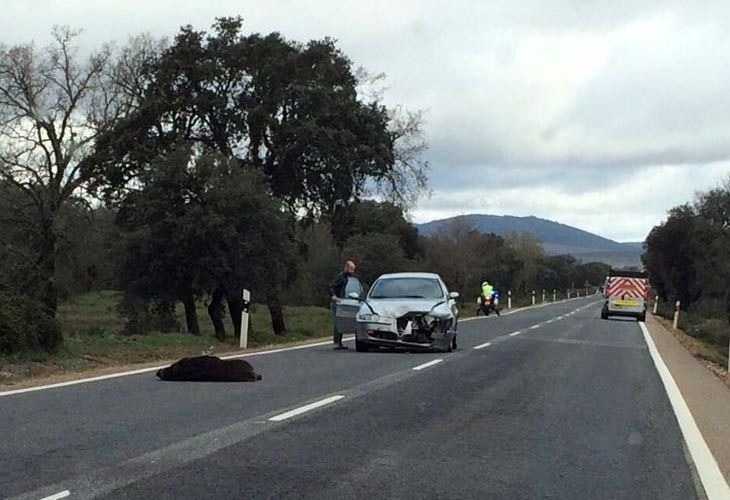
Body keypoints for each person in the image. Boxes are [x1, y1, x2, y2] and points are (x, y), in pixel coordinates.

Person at [328, 260, 356, 350]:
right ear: (347, 268)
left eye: (353, 270)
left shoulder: (349, 279)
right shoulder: (340, 277)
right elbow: (331, 286)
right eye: (351, 269)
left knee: (342, 322)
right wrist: (333, 296)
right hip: (337, 303)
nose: (353, 272)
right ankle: (336, 342)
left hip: (343, 302)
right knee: (337, 322)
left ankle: (339, 342)